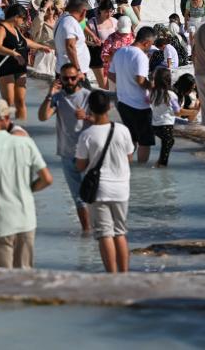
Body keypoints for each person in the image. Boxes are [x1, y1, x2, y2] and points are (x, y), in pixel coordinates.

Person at [0, 101, 52, 269]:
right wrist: (28, 189)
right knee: (25, 275)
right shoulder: (25, 143)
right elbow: (47, 179)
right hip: (26, 219)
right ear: (0, 120)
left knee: (2, 280)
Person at [75, 90, 135, 273]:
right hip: (121, 189)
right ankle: (124, 274)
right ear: (109, 106)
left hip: (100, 190)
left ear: (90, 109)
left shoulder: (87, 135)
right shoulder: (122, 130)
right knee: (120, 233)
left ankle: (111, 276)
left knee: (105, 234)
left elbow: (80, 165)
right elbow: (129, 157)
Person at [38, 63, 92, 232]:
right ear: (59, 79)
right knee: (79, 199)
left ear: (79, 77)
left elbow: (104, 121)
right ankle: (87, 235)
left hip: (88, 155)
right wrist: (49, 94)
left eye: (72, 78)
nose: (69, 81)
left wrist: (87, 117)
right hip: (67, 154)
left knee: (94, 197)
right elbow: (43, 117)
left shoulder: (88, 97)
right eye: (65, 78)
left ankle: (101, 234)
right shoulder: (57, 98)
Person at [0, 4, 52, 120]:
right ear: (15, 17)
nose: (23, 21)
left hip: (19, 68)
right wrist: (14, 53)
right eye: (23, 18)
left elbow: (25, 41)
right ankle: (5, 128)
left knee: (20, 101)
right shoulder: (1, 28)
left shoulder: (15, 28)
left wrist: (41, 47)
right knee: (8, 101)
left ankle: (22, 126)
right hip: (5, 68)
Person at [109, 26, 156, 164]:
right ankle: (142, 175)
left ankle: (125, 168)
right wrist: (152, 86)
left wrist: (124, 82)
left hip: (122, 102)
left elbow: (111, 74)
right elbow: (141, 80)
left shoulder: (120, 52)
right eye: (151, 44)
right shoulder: (141, 56)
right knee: (144, 141)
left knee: (131, 139)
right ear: (147, 42)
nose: (150, 47)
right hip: (139, 104)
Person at [54, 0, 92, 81]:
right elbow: (70, 46)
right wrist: (78, 70)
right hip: (72, 74)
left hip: (66, 70)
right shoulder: (70, 22)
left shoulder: (63, 18)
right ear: (84, 11)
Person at [150, 68, 181, 167]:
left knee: (166, 142)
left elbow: (147, 103)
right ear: (168, 80)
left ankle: (160, 162)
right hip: (166, 125)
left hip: (155, 125)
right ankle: (161, 164)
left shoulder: (153, 93)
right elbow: (177, 111)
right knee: (169, 141)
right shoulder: (170, 95)